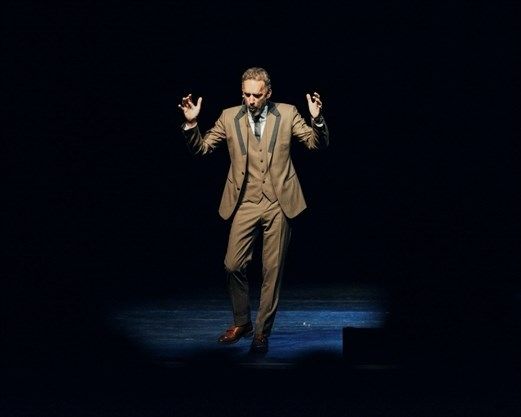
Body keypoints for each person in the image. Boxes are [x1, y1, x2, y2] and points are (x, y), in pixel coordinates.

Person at [178, 67, 329, 354]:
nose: (250, 100)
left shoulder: (287, 113)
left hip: (278, 202)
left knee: (272, 271)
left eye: (256, 95)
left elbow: (315, 144)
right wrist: (191, 124)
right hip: (245, 202)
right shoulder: (228, 117)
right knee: (232, 264)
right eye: (246, 94)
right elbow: (202, 149)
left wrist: (317, 119)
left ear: (268, 93)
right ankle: (242, 322)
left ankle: (261, 333)